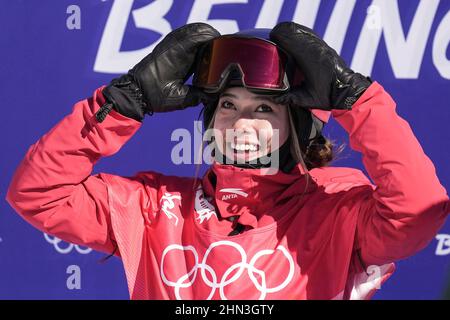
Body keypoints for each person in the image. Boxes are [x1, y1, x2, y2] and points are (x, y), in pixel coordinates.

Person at [6, 22, 449, 300]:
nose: (240, 122)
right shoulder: (153, 208)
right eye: (228, 105)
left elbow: (417, 211)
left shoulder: (335, 211)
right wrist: (124, 103)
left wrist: (358, 101)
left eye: (263, 109)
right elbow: (37, 194)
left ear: (298, 127)